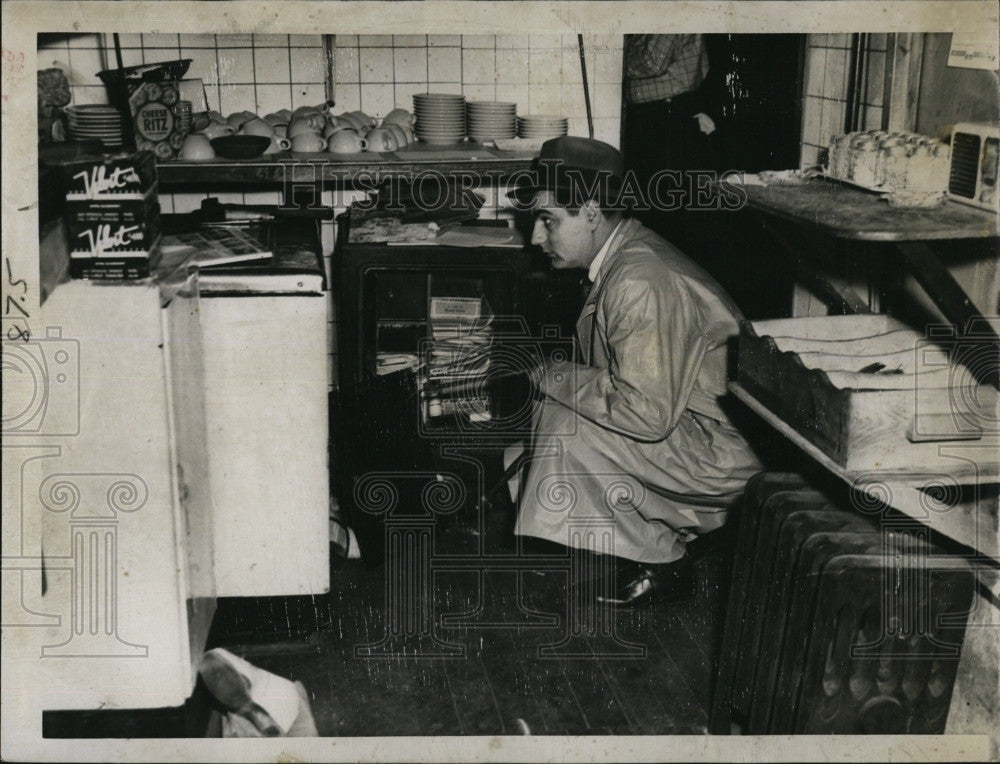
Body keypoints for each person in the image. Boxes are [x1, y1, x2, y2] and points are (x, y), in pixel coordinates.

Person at [508, 136, 762, 607]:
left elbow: (644, 413)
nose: (534, 239)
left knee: (564, 427)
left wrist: (553, 375)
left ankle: (665, 560)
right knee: (552, 416)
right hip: (702, 432)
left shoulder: (639, 279)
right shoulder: (626, 255)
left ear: (589, 211)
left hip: (724, 456)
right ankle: (665, 543)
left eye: (547, 221)